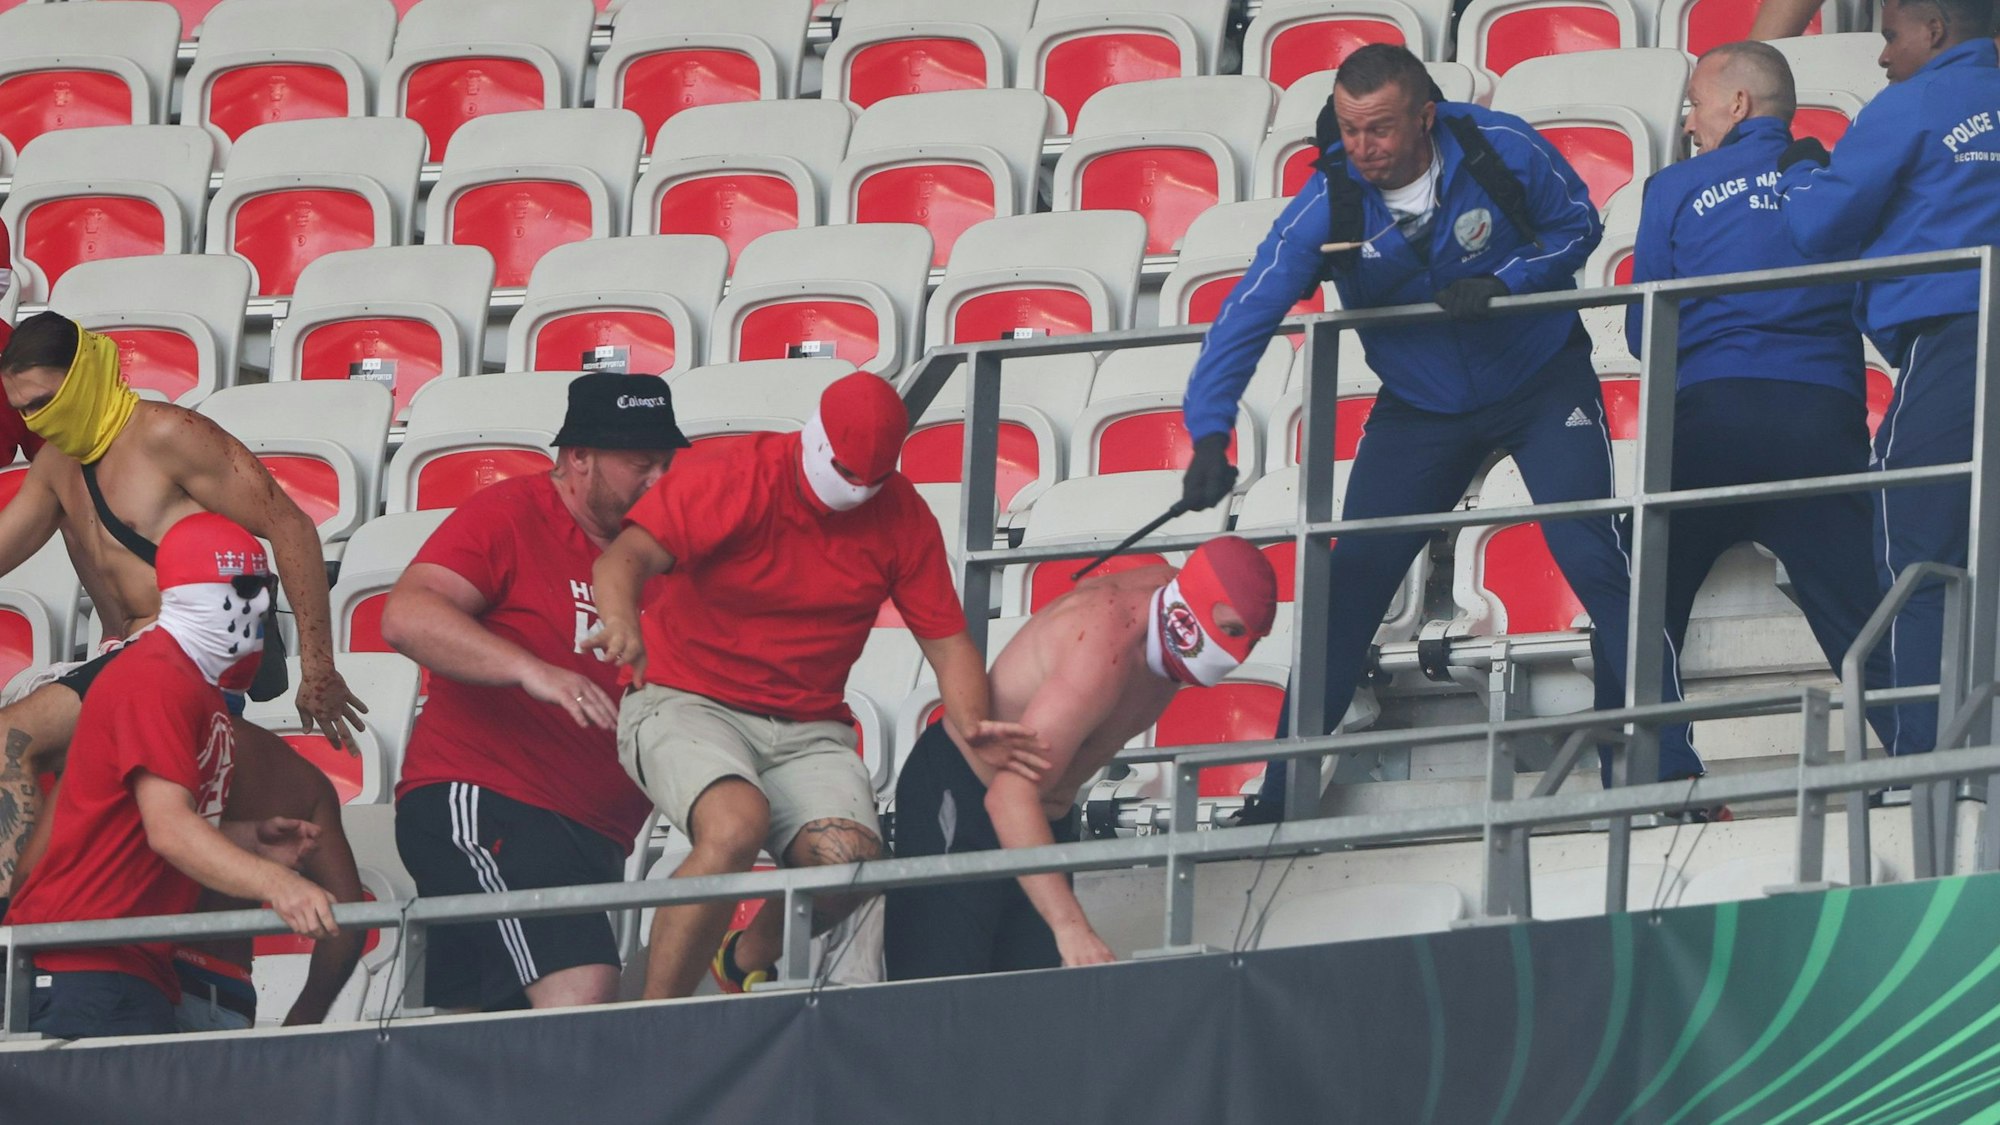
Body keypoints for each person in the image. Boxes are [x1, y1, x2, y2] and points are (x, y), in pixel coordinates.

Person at [1178, 43, 1698, 817]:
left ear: (1425, 117)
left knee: (1596, 559)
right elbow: (1247, 312)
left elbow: (1578, 226)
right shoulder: (1330, 200)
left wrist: (1506, 283)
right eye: (1349, 130)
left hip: (1540, 378)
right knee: (1346, 593)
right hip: (1420, 406)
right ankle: (1278, 800)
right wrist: (1209, 432)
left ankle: (1671, 770)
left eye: (1380, 129)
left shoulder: (1498, 146)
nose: (1363, 148)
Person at [587, 372, 1048, 1000]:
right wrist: (621, 622)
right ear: (815, 439)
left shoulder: (903, 514)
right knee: (734, 827)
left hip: (808, 726)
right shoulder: (737, 474)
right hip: (685, 697)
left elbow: (948, 644)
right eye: (845, 472)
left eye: (873, 479)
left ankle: (741, 959)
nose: (857, 490)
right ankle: (653, 1022)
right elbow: (624, 558)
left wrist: (972, 728)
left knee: (851, 867)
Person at [0, 312, 367, 893]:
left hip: (189, 660)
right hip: (127, 663)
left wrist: (318, 666)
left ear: (85, 373)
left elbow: (291, 527)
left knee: (9, 739)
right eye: (23, 410)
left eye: (46, 401)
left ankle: (11, 929)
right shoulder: (54, 466)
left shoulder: (168, 434)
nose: (36, 420)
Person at [383, 372, 686, 1012]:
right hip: (490, 802)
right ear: (579, 457)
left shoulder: (662, 552)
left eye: (666, 462)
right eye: (641, 463)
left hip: (592, 834)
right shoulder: (511, 512)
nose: (659, 479)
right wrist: (532, 670)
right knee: (580, 991)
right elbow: (406, 615)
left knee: (481, 1032)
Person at [1628, 41, 1899, 752]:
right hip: (1820, 419)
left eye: (1695, 104)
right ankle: (1939, 768)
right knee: (1864, 624)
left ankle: (1657, 777)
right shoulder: (1836, 183)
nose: (1689, 122)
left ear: (1738, 104)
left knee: (1638, 606)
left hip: (1710, 422)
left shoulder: (1674, 187)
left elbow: (1642, 332)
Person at [5, 513, 340, 1040]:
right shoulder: (155, 678)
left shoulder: (191, 690)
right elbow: (167, 829)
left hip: (114, 966)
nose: (257, 607)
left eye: (264, 591)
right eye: (243, 589)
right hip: (82, 967)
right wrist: (278, 883)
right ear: (188, 596)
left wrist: (248, 839)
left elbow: (128, 825)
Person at [885, 537, 1277, 979]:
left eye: (1253, 640)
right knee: (939, 993)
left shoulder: (1171, 597)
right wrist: (1071, 928)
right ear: (1190, 609)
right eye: (1230, 631)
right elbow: (1009, 797)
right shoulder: (1102, 649)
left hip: (1041, 822)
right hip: (966, 795)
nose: (1238, 654)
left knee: (1028, 996)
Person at [1776, 0, 2000, 755]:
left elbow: (1818, 228)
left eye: (1891, 36)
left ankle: (1926, 764)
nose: (1881, 56)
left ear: (1933, 29)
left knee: (1918, 553)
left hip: (1958, 341)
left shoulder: (1914, 102)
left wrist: (1801, 172)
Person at [172, 721, 366, 1031]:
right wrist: (300, 1023)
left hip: (148, 975)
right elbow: (348, 918)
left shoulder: (164, 739)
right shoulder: (297, 774)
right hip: (228, 992)